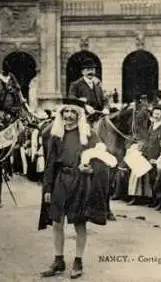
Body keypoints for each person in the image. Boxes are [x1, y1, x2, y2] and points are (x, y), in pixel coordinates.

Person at [38, 98, 112, 279]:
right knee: (56, 222)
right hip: (60, 181)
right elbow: (50, 165)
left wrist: (91, 169)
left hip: (80, 182)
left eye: (73, 112)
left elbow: (103, 160)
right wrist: (47, 188)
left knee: (79, 222)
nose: (69, 116)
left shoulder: (89, 135)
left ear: (79, 115)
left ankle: (78, 261)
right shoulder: (56, 135)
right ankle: (58, 260)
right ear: (61, 114)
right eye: (66, 112)